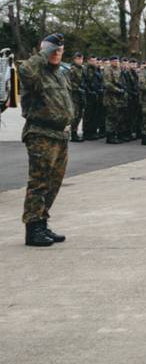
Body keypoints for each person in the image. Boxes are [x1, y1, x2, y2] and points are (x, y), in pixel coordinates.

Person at [17, 33, 74, 246]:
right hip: (41, 134)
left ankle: (42, 222)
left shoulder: (60, 73)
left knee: (53, 183)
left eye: (60, 51)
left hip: (60, 135)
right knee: (39, 182)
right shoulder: (35, 71)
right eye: (53, 50)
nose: (56, 54)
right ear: (44, 51)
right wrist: (44, 52)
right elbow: (24, 70)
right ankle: (33, 229)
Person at [67, 52, 85, 141]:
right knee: (75, 115)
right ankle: (73, 133)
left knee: (80, 114)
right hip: (74, 95)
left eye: (81, 59)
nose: (80, 61)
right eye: (78, 59)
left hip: (81, 95)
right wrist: (77, 88)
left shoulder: (82, 69)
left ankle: (75, 132)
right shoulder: (72, 69)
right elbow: (69, 82)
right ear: (74, 59)